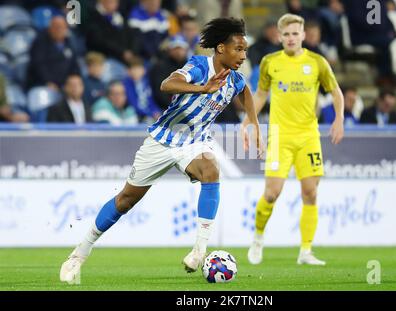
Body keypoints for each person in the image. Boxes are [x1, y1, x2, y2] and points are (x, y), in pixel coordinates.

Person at [60, 17, 263, 284]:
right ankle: (78, 254)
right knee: (125, 201)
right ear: (221, 48)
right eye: (238, 49)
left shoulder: (234, 79)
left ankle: (199, 251)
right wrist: (202, 89)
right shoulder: (199, 66)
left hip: (194, 143)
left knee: (211, 171)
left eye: (245, 50)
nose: (243, 55)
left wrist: (253, 121)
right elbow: (167, 84)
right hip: (162, 140)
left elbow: (245, 91)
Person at [241, 13, 344, 266]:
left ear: (303, 35)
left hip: (309, 136)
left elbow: (336, 92)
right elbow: (261, 94)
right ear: (279, 36)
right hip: (280, 136)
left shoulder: (317, 62)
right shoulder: (269, 62)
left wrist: (339, 118)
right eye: (286, 34)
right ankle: (258, 238)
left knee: (310, 193)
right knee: (272, 193)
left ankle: (305, 251)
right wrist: (248, 122)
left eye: (295, 33)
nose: (290, 38)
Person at [27, 15, 80, 90]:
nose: (59, 30)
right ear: (50, 28)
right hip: (43, 84)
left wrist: (74, 78)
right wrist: (48, 81)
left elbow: (74, 65)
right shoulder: (40, 42)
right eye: (56, 27)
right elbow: (38, 65)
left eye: (62, 27)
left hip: (64, 85)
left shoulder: (69, 43)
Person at [149, 35, 189, 111]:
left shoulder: (191, 66)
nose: (178, 52)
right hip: (164, 108)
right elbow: (159, 92)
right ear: (169, 49)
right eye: (175, 48)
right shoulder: (160, 67)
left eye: (181, 48)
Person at [123, 56, 161, 122]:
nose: (136, 72)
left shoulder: (147, 83)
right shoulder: (126, 84)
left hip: (149, 114)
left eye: (139, 69)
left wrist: (156, 111)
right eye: (134, 69)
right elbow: (132, 102)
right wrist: (150, 114)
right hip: (136, 114)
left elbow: (151, 101)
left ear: (144, 70)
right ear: (128, 71)